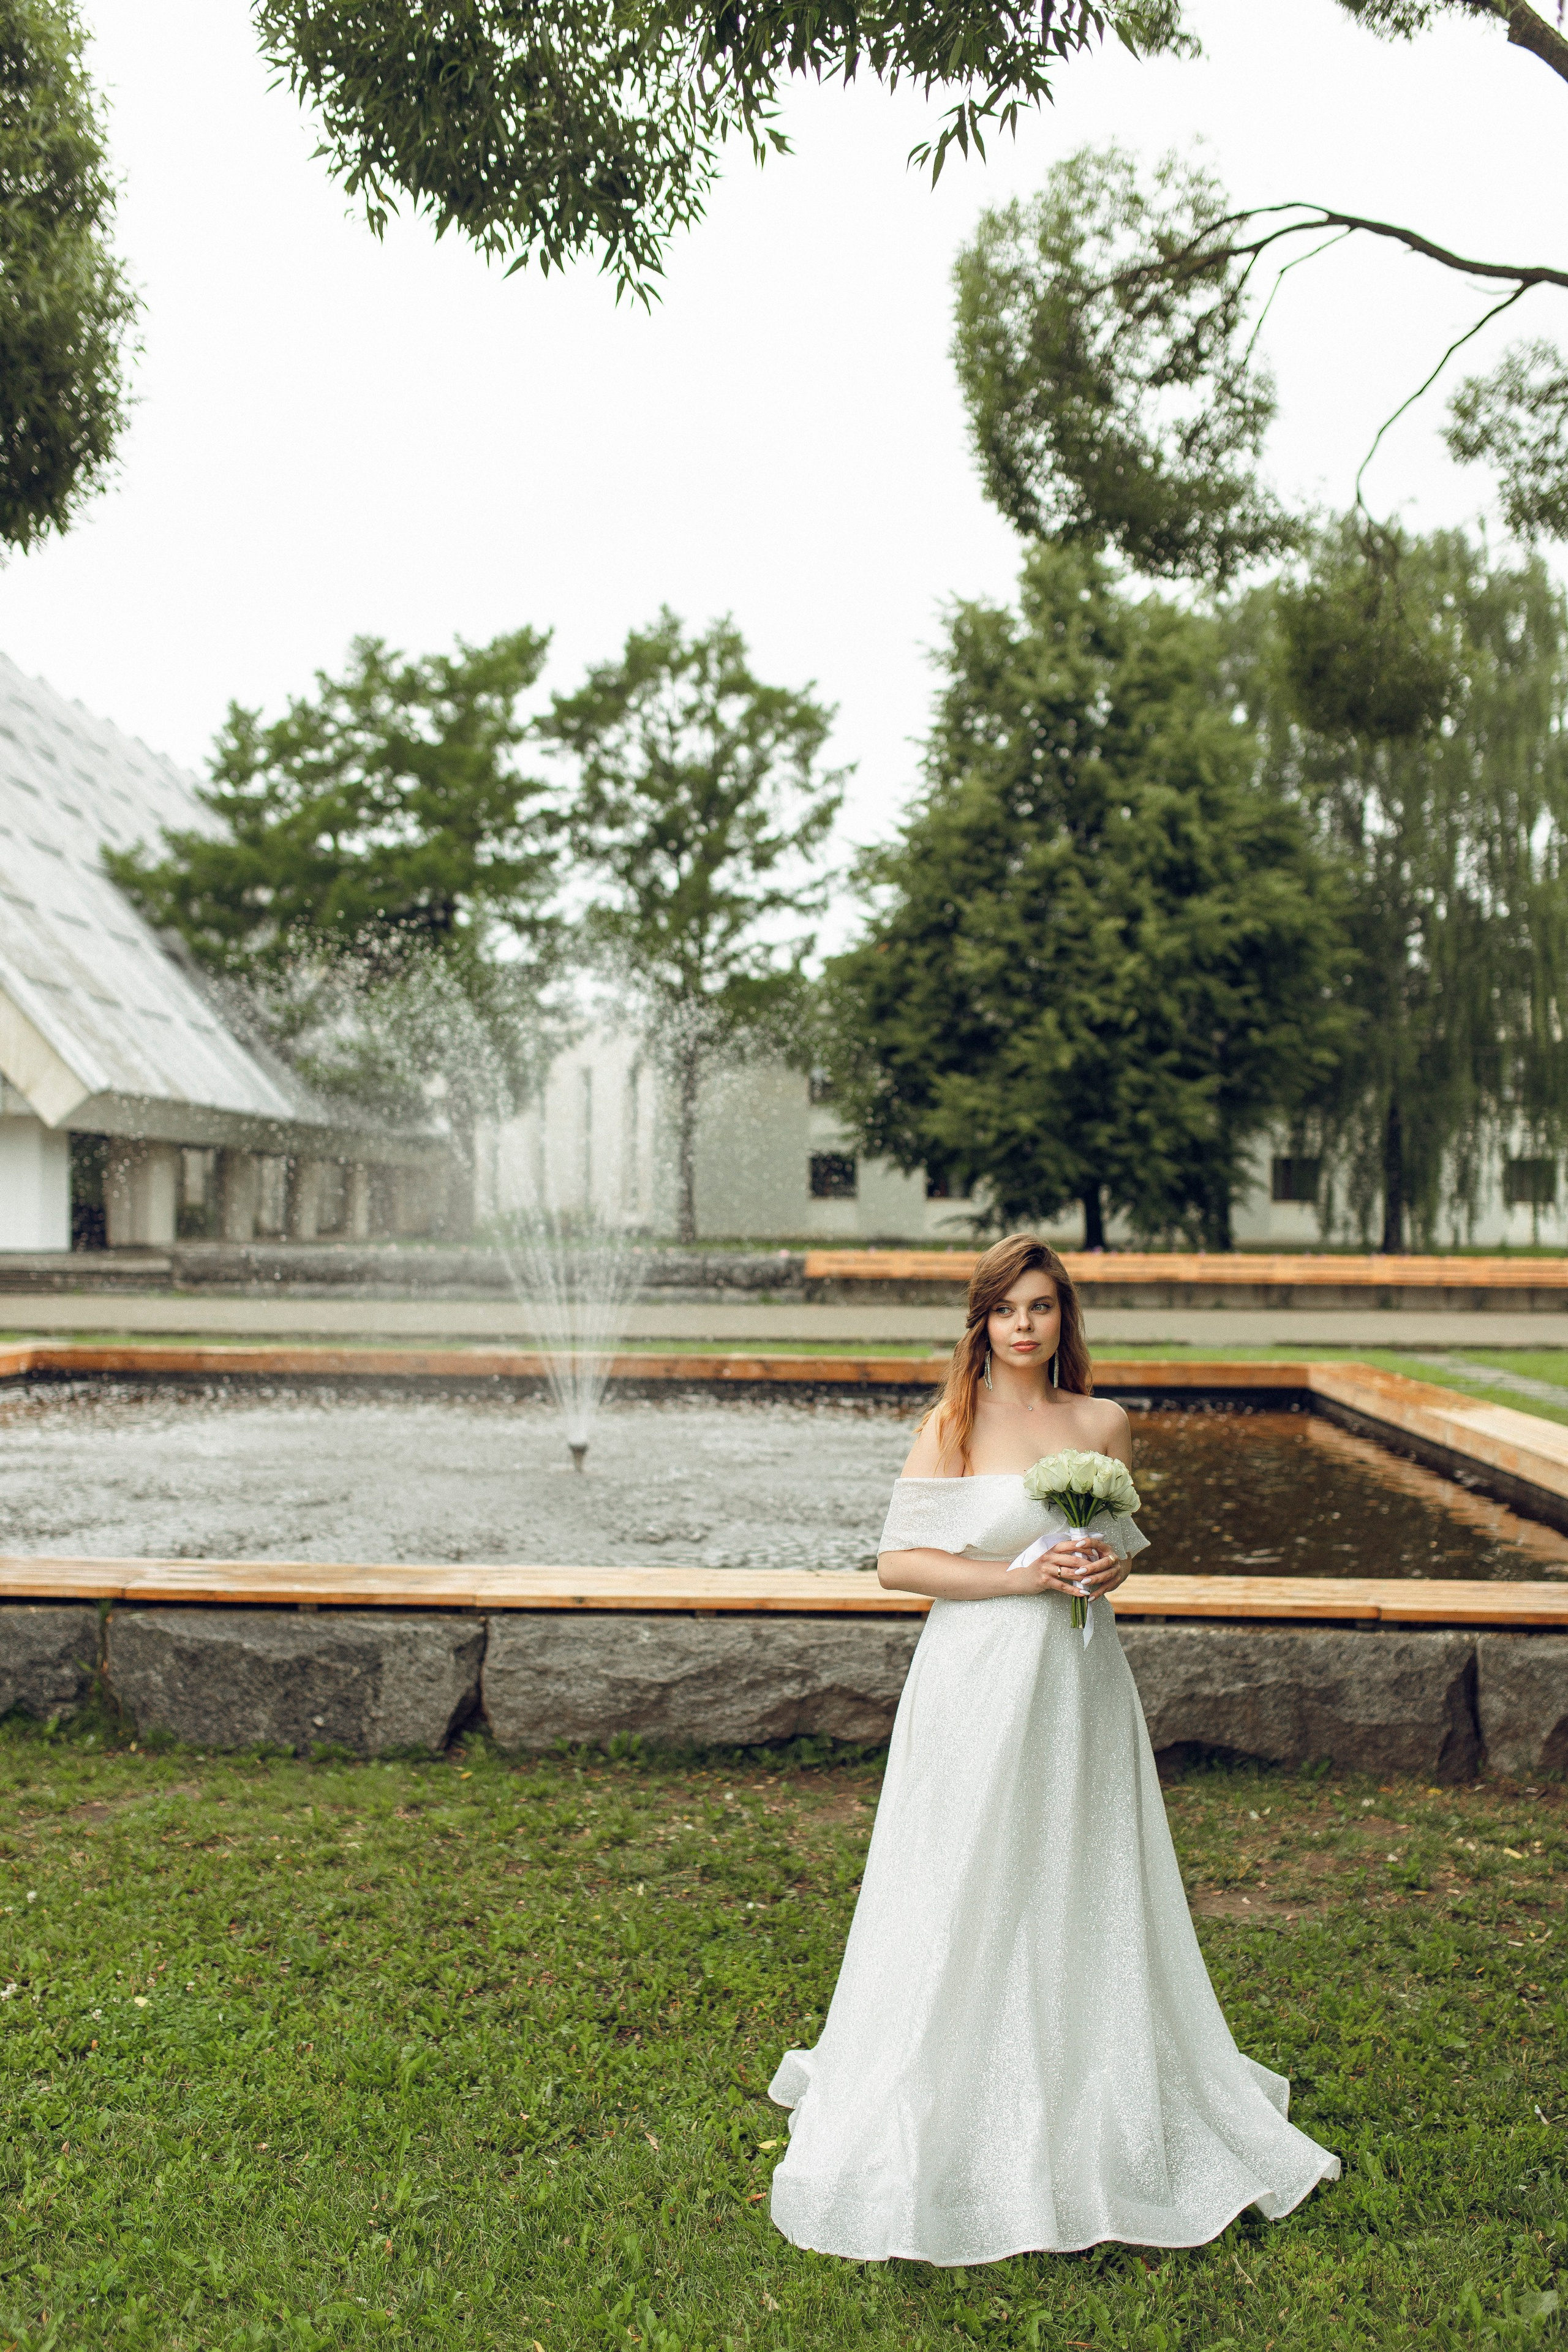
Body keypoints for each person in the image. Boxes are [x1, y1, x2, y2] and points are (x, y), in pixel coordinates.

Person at [768, 1232, 1339, 2265]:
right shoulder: (952, 1420)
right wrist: (1022, 1581)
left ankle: (1100, 2067)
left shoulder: (1103, 1422)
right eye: (1006, 1310)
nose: (1024, 1326)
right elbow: (901, 1564)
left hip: (1080, 1681)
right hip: (976, 1675)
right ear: (981, 1322)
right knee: (967, 1865)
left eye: (1041, 1307)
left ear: (1064, 1318)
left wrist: (1098, 1571)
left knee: (1077, 1862)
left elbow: (1117, 1553)